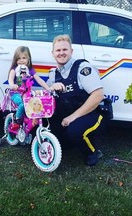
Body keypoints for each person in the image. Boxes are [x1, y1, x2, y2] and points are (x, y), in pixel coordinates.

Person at [47, 34, 105, 166]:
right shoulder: (52, 74)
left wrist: (72, 117)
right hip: (67, 116)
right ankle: (70, 142)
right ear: (53, 53)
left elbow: (98, 95)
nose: (61, 53)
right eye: (58, 50)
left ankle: (92, 152)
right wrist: (51, 88)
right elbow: (47, 98)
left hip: (91, 114)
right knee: (47, 129)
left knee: (74, 131)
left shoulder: (82, 68)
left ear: (71, 51)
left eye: (65, 50)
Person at [8, 46, 50, 128]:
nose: (21, 60)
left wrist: (48, 88)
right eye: (18, 58)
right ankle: (16, 120)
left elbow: (39, 80)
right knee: (23, 104)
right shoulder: (14, 69)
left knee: (36, 103)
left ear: (28, 59)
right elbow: (10, 79)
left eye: (24, 58)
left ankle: (29, 124)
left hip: (26, 93)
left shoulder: (30, 70)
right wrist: (13, 85)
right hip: (16, 93)